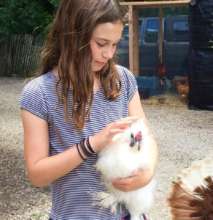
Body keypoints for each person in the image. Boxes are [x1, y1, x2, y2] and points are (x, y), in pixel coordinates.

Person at [20, 0, 158, 219]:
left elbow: (146, 138)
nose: (109, 54)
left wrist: (147, 172)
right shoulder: (39, 93)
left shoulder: (123, 80)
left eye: (114, 44)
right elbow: (37, 174)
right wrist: (92, 144)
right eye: (101, 43)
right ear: (73, 37)